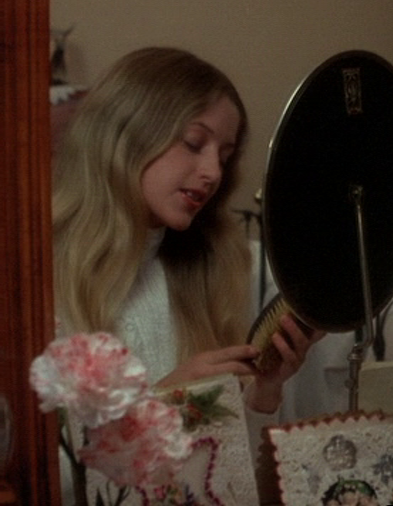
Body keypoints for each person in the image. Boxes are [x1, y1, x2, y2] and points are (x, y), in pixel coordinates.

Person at [50, 47, 323, 498]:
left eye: (225, 156)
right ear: (127, 133)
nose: (213, 172)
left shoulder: (206, 273)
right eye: (194, 143)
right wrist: (167, 405)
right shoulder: (39, 280)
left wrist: (263, 395)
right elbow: (46, 481)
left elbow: (232, 485)